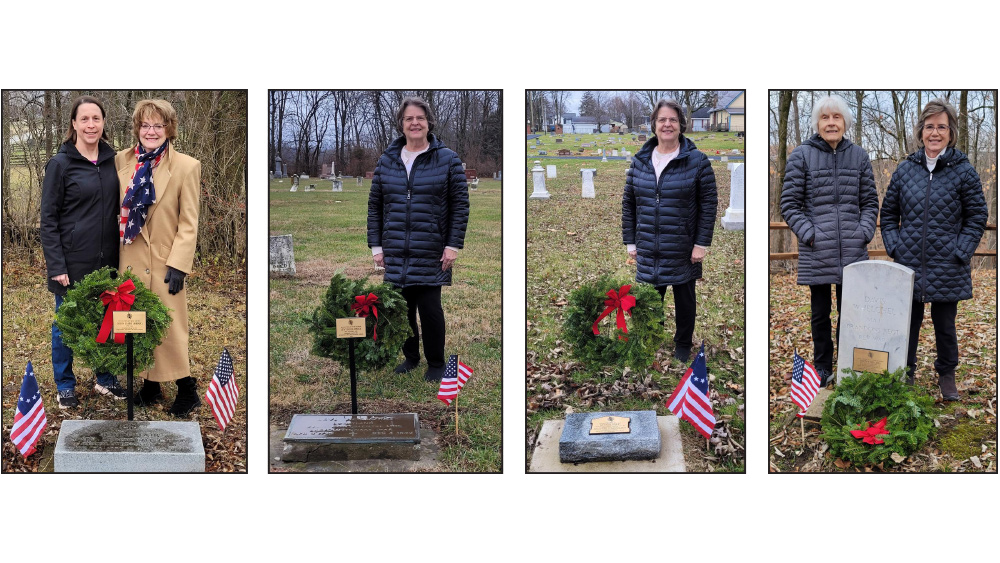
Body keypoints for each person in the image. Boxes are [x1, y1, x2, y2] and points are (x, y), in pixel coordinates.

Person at [880, 99, 987, 400]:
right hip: (908, 263)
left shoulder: (963, 171)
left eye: (941, 126)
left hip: (948, 264)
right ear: (921, 131)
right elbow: (888, 215)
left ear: (950, 132)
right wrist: (895, 247)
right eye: (930, 127)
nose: (935, 132)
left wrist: (961, 250)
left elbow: (977, 216)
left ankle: (947, 375)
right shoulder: (905, 171)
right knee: (906, 323)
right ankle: (906, 372)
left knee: (945, 325)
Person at [367, 96, 470, 381]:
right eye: (409, 119)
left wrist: (452, 245)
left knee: (430, 310)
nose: (415, 123)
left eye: (420, 118)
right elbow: (375, 205)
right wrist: (377, 246)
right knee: (402, 309)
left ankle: (436, 363)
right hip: (396, 248)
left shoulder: (447, 159)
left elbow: (460, 206)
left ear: (429, 123)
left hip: (431, 248)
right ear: (401, 124)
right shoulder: (387, 160)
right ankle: (410, 357)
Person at [780, 94, 878, 385]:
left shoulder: (859, 156)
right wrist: (810, 235)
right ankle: (822, 367)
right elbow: (789, 204)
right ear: (817, 123)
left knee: (851, 314)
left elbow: (870, 202)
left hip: (853, 249)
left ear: (845, 122)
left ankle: (850, 365)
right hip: (817, 250)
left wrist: (863, 232)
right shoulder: (801, 155)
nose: (831, 123)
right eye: (825, 117)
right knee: (820, 315)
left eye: (836, 117)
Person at [117, 99, 202, 416]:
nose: (151, 131)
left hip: (168, 264)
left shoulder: (186, 167)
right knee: (138, 324)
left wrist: (179, 264)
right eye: (145, 125)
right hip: (132, 260)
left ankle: (187, 389)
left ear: (169, 129)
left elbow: (189, 222)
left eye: (158, 125)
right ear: (137, 128)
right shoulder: (121, 162)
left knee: (169, 327)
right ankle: (150, 386)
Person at [40, 96, 127, 407]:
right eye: (84, 119)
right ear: (74, 124)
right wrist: (56, 265)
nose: (91, 124)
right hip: (71, 262)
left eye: (96, 118)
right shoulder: (60, 164)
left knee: (107, 320)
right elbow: (48, 219)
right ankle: (65, 385)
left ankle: (105, 379)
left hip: (108, 261)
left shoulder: (113, 161)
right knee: (67, 324)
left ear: (103, 123)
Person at [622, 99, 717, 363]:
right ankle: (650, 338)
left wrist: (701, 243)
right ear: (654, 125)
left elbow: (708, 204)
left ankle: (683, 344)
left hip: (683, 245)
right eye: (662, 120)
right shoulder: (640, 161)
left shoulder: (697, 161)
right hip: (649, 243)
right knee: (650, 300)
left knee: (685, 299)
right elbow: (629, 202)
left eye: (673, 120)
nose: (667, 124)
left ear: (681, 125)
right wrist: (630, 240)